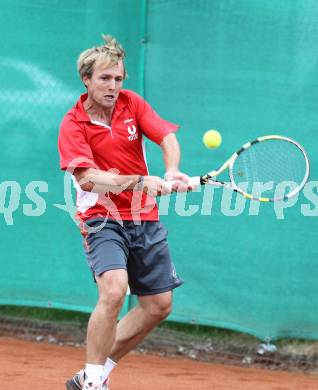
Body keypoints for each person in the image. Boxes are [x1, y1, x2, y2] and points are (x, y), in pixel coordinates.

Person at [58, 35, 191, 390]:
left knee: (159, 305)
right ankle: (93, 383)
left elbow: (166, 137)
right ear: (86, 79)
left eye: (118, 78)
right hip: (101, 218)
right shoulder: (73, 124)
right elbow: (87, 180)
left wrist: (172, 170)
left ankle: (92, 374)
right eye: (105, 78)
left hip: (143, 217)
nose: (114, 86)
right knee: (114, 291)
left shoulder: (132, 103)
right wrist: (140, 182)